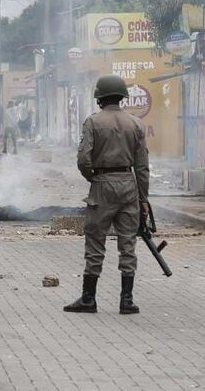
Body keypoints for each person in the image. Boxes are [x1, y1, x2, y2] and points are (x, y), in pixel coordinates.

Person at [65, 74, 149, 316]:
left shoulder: (93, 122)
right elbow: (142, 167)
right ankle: (127, 301)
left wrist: (92, 177)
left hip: (102, 183)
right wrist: (143, 199)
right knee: (128, 243)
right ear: (122, 97)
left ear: (99, 98)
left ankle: (89, 299)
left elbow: (83, 159)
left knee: (95, 240)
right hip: (129, 184)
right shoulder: (136, 124)